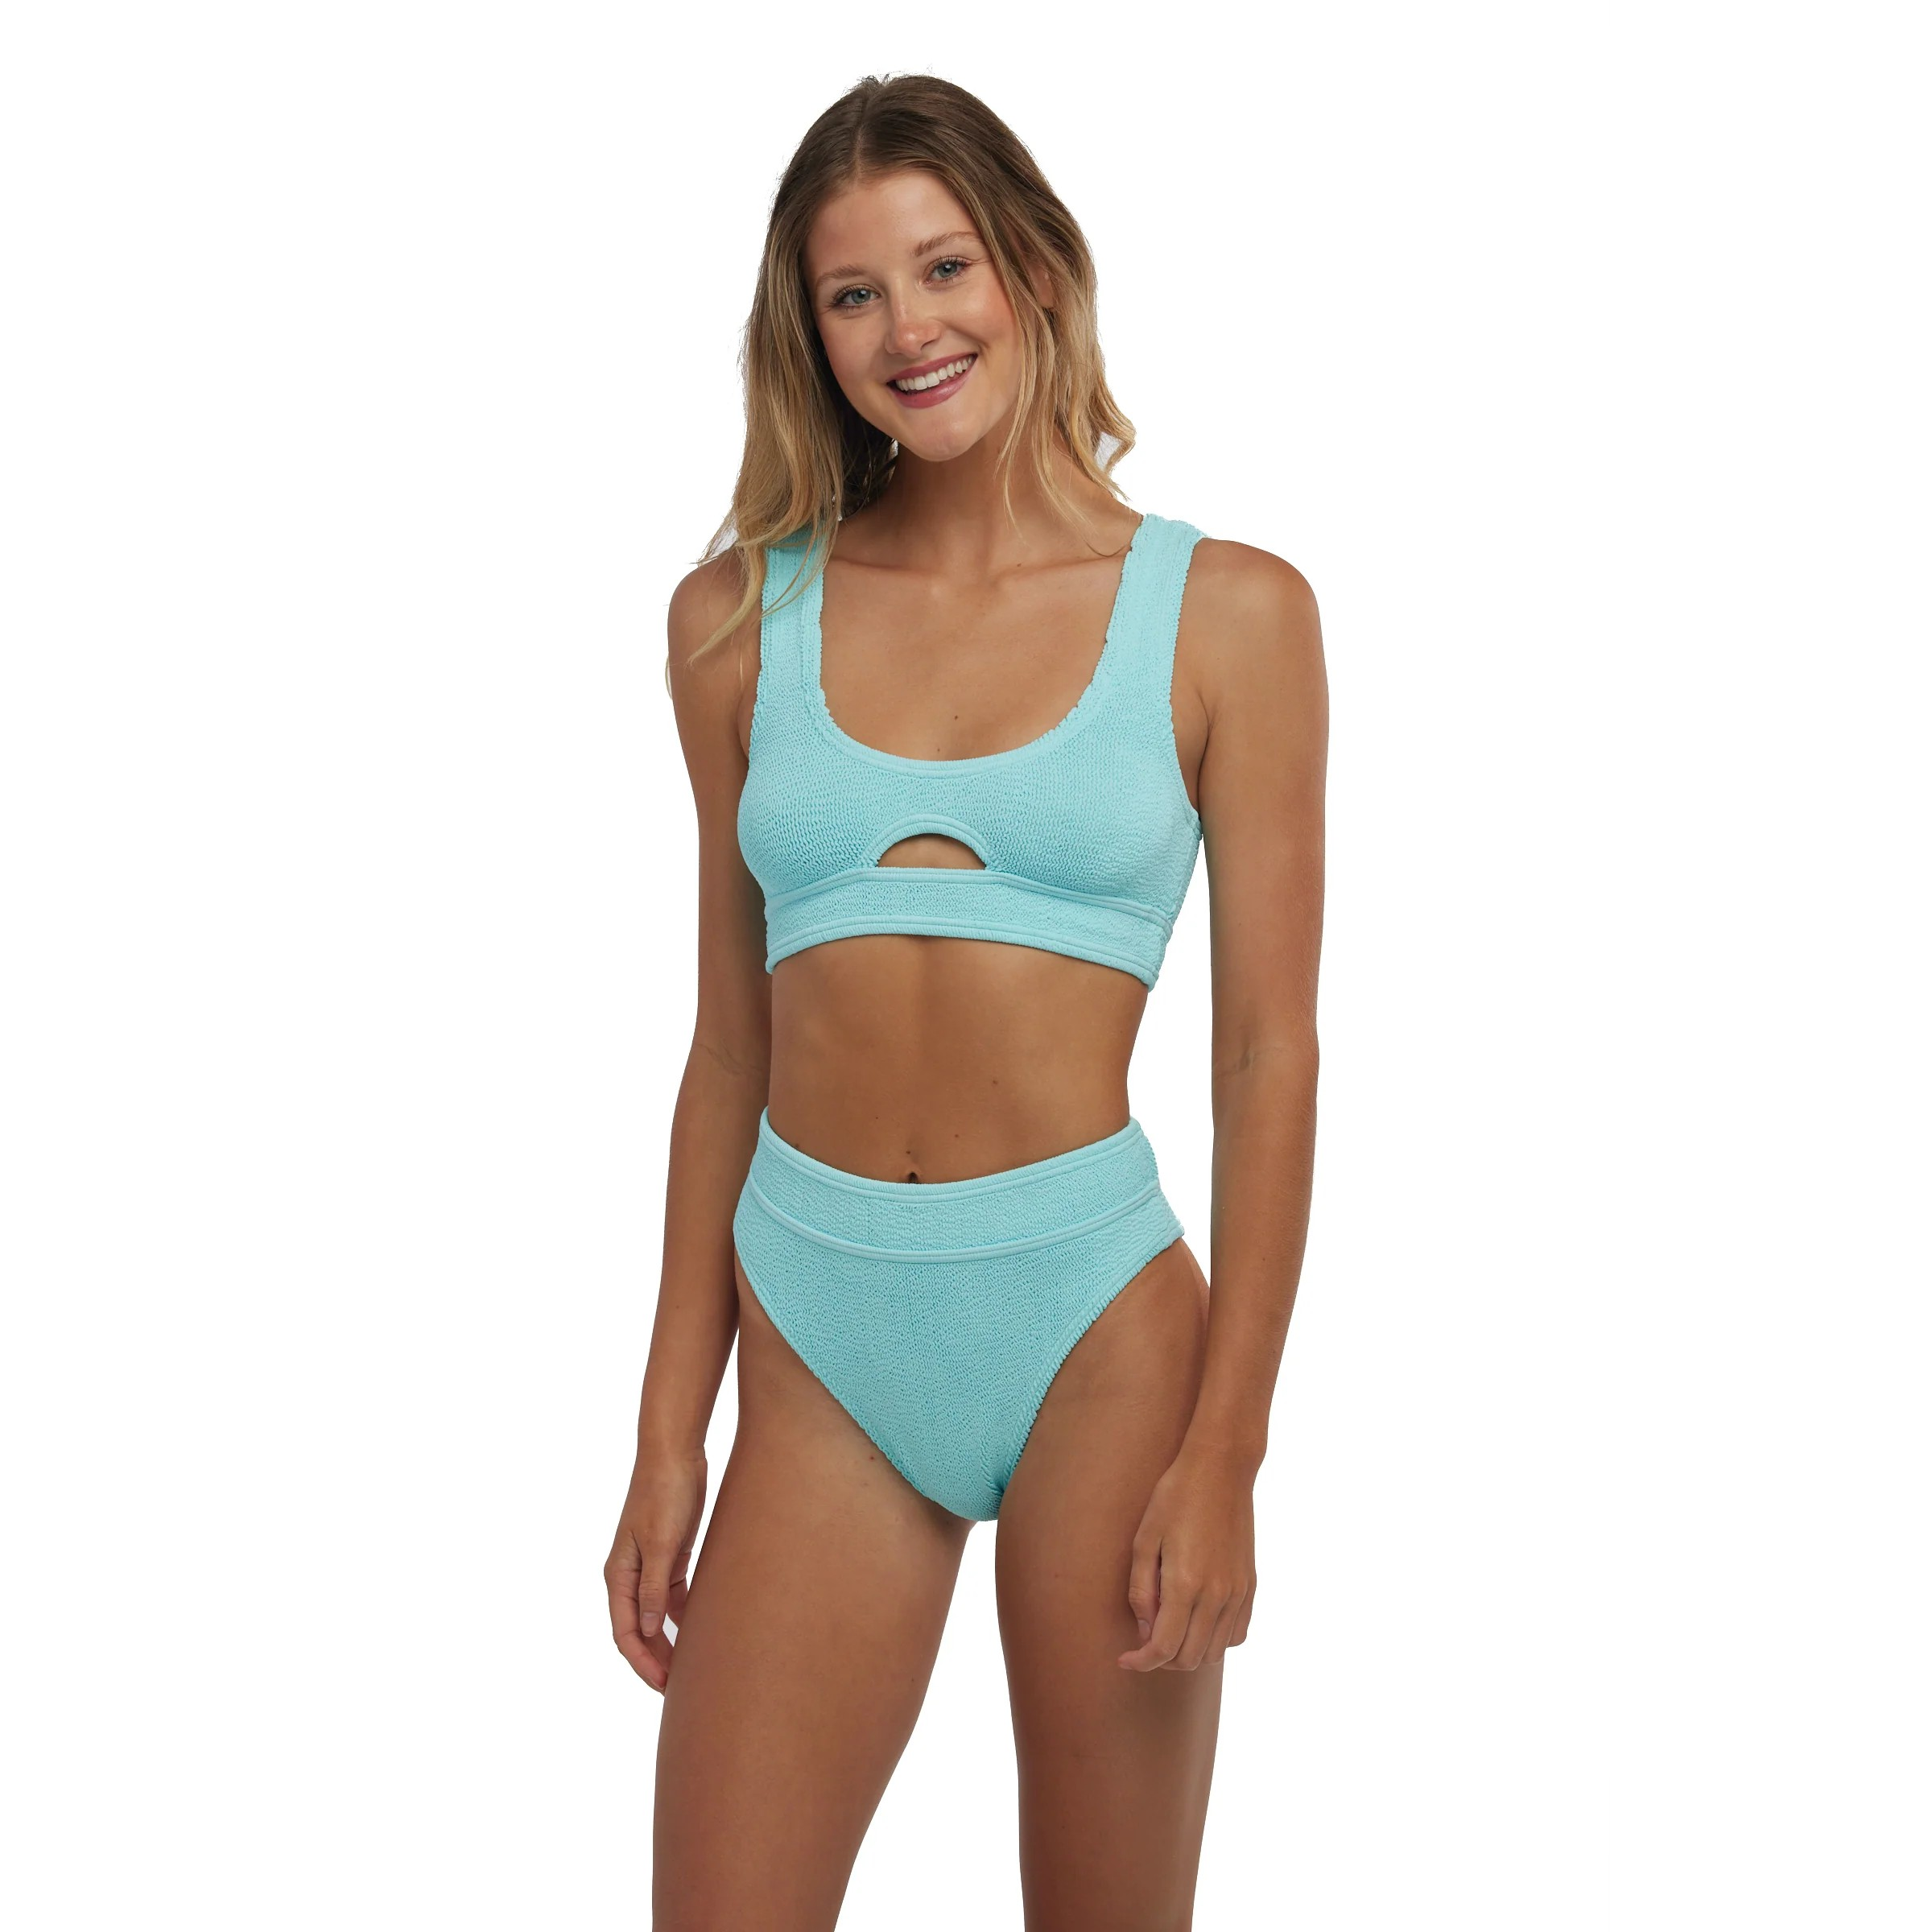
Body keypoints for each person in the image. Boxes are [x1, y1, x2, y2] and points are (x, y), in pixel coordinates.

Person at [606, 72, 1327, 1930]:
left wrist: (1231, 1447)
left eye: (944, 268)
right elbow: (728, 1051)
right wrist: (671, 1431)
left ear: (1033, 270)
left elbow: (1269, 1055)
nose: (908, 328)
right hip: (821, 1325)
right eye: (853, 293)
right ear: (809, 333)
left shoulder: (1231, 615)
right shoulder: (731, 625)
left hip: (1098, 1327)